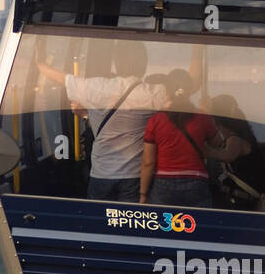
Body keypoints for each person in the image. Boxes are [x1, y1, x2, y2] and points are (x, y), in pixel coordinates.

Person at [34, 43, 200, 202]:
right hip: (134, 178)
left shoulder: (96, 87)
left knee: (99, 224)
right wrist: (198, 48)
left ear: (116, 62)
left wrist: (40, 63)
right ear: (143, 63)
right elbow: (190, 85)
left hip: (100, 175)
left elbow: (64, 79)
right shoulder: (153, 93)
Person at [140, 70, 250, 208]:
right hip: (196, 181)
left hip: (164, 183)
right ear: (190, 91)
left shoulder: (155, 121)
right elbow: (218, 142)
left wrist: (143, 193)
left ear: (167, 91)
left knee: (164, 226)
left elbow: (148, 162)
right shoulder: (202, 117)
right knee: (197, 226)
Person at [208, 94, 265, 211]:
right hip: (243, 200)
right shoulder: (244, 138)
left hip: (240, 201)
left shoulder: (234, 139)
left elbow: (228, 155)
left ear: (217, 122)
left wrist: (207, 151)